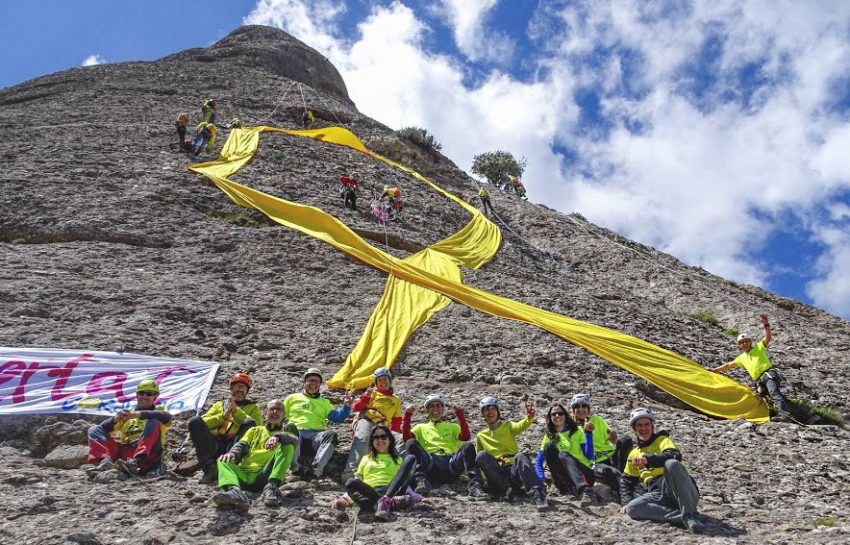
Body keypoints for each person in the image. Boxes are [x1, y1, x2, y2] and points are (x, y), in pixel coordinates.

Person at [709, 313, 810, 422]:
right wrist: (715, 370)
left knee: (774, 394)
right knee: (772, 397)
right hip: (759, 381)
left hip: (768, 375)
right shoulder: (741, 357)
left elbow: (768, 337)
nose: (744, 344)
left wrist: (766, 324)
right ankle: (803, 415)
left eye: (746, 342)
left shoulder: (758, 347)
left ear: (750, 342)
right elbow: (728, 365)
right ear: (739, 345)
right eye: (741, 343)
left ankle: (785, 415)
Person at [618, 408, 703, 533]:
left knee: (672, 464)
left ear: (652, 426)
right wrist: (626, 502)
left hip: (680, 489)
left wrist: (648, 460)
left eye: (647, 424)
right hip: (657, 494)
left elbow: (674, 455)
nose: (643, 428)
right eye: (639, 425)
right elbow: (626, 481)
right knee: (633, 509)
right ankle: (682, 516)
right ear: (634, 429)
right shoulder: (634, 454)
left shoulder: (662, 441)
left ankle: (691, 515)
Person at [212, 399, 299, 510]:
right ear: (265, 413)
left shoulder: (287, 431)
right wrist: (232, 453)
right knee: (223, 459)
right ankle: (235, 492)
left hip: (265, 475)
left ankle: (271, 487)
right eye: (272, 409)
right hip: (244, 475)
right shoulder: (254, 430)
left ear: (284, 414)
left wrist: (278, 437)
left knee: (288, 446)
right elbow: (241, 445)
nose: (275, 412)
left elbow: (294, 440)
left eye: (279, 409)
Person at [402, 394, 486, 498]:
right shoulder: (420, 427)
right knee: (411, 442)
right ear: (427, 410)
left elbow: (465, 437)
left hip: (450, 465)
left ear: (442, 409)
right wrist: (407, 416)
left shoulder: (452, 426)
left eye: (438, 406)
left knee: (468, 446)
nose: (435, 408)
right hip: (430, 465)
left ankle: (476, 487)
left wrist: (459, 414)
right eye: (432, 406)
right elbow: (406, 439)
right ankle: (420, 480)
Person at [86, 379, 172, 477]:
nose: (144, 396)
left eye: (149, 394)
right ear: (137, 395)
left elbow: (167, 417)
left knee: (154, 421)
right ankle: (104, 463)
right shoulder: (128, 415)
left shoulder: (160, 411)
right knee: (94, 429)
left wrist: (138, 414)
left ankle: (137, 461)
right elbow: (101, 429)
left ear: (155, 397)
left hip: (148, 457)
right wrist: (114, 419)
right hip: (124, 457)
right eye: (141, 393)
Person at [340, 424, 426, 521]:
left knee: (410, 459)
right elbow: (358, 481)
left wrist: (418, 497)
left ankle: (386, 500)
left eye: (383, 437)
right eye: (376, 437)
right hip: (371, 494)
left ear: (390, 440)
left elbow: (401, 479)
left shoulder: (397, 459)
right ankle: (387, 502)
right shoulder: (365, 459)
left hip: (392, 491)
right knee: (351, 482)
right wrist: (344, 499)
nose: (380, 440)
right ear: (372, 441)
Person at [475, 396, 548, 509]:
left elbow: (520, 425)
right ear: (482, 414)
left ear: (498, 412)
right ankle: (505, 490)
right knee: (481, 456)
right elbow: (481, 462)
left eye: (492, 409)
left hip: (513, 470)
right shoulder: (481, 436)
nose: (490, 412)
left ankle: (537, 493)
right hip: (497, 472)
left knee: (521, 456)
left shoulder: (508, 426)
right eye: (486, 409)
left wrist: (529, 417)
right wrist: (483, 481)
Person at [188, 373, 262, 484]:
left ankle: (230, 465)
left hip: (234, 444)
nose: (239, 389)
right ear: (231, 389)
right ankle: (210, 469)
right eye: (237, 386)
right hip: (214, 443)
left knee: (249, 422)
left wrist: (236, 411)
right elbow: (203, 422)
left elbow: (257, 428)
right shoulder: (219, 405)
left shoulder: (253, 408)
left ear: (247, 391)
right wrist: (222, 417)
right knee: (194, 422)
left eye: (243, 387)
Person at [284, 367, 352, 480]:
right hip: (297, 435)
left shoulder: (324, 402)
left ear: (320, 384)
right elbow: (281, 415)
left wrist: (346, 407)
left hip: (316, 437)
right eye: (310, 380)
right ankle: (296, 468)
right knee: (290, 427)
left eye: (316, 381)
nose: (313, 384)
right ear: (305, 382)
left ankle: (315, 470)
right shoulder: (292, 398)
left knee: (331, 434)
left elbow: (337, 418)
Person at [569, 393, 633, 500]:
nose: (581, 409)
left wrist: (614, 438)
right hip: (595, 462)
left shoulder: (597, 420)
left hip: (610, 456)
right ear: (573, 410)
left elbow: (613, 440)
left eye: (584, 406)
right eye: (577, 406)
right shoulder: (571, 428)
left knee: (626, 439)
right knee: (610, 472)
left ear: (588, 408)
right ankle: (627, 491)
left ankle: (626, 474)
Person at [344, 368, 403, 478]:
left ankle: (401, 474)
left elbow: (396, 421)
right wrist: (366, 396)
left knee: (399, 441)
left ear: (390, 381)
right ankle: (350, 472)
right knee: (363, 437)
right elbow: (356, 408)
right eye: (379, 380)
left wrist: (395, 435)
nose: (383, 382)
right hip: (366, 420)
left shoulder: (396, 400)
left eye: (385, 379)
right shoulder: (371, 393)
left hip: (382, 426)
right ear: (376, 382)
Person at [535, 403, 596, 506]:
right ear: (550, 418)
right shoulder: (549, 436)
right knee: (548, 447)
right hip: (564, 481)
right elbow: (538, 461)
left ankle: (585, 490)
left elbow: (589, 456)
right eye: (554, 414)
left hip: (584, 475)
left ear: (565, 415)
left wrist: (588, 434)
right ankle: (570, 489)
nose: (557, 416)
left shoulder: (578, 430)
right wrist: (541, 480)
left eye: (560, 413)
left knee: (563, 455)